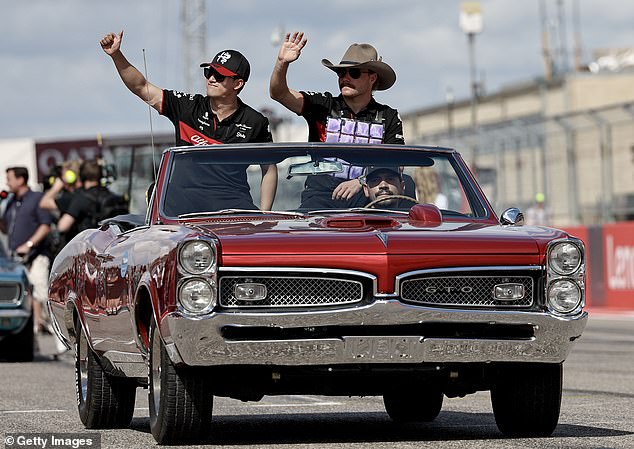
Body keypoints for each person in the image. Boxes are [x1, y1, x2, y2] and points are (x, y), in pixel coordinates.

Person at [100, 31, 277, 211]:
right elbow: (141, 86)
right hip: (183, 203)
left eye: (220, 76)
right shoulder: (187, 106)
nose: (211, 79)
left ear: (238, 84)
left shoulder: (256, 121)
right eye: (209, 72)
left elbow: (269, 167)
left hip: (231, 201)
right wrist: (116, 55)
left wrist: (265, 214)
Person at [270, 31, 405, 209]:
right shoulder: (323, 106)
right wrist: (282, 63)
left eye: (354, 73)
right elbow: (278, 94)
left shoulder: (388, 116)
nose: (345, 78)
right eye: (341, 73)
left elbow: (397, 164)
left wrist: (361, 182)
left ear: (372, 78)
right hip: (319, 198)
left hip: (366, 199)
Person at [1, 167, 53, 335]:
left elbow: (45, 226)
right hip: (15, 258)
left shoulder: (37, 199)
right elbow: (4, 228)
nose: (7, 183)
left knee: (41, 291)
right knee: (26, 295)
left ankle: (56, 331)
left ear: (20, 180)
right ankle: (36, 328)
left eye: (9, 179)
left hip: (36, 255)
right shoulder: (10, 202)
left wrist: (29, 244)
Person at [54, 160, 123, 235]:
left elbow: (62, 227)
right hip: (113, 243)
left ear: (82, 176)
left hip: (91, 244)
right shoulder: (111, 195)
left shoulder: (81, 198)